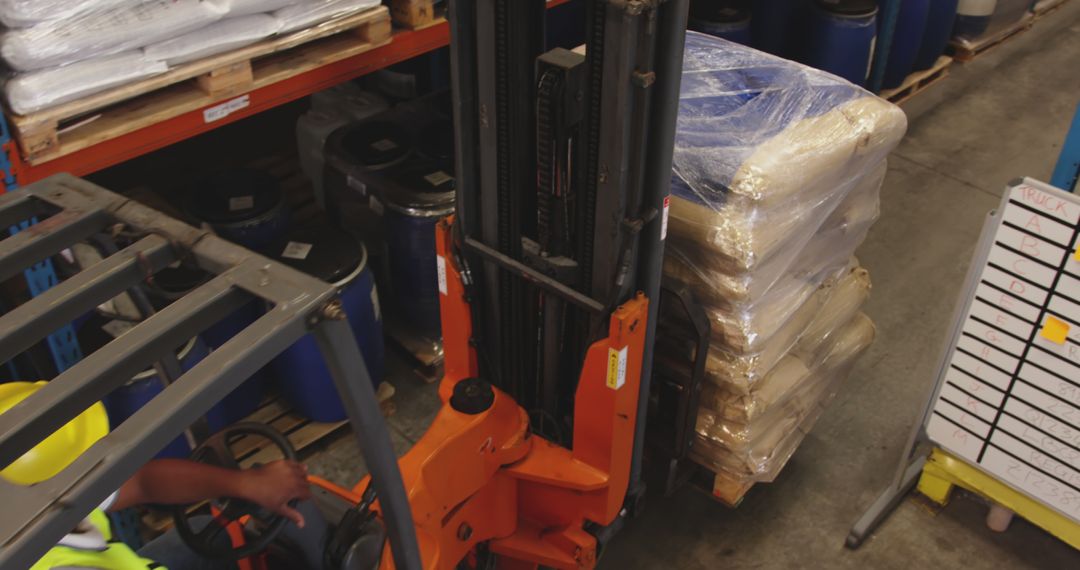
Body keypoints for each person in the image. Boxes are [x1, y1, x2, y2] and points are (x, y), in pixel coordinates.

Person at [0, 382, 328, 570]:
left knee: (209, 531)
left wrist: (242, 484)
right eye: (89, 457)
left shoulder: (25, 496)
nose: (100, 464)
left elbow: (144, 482)